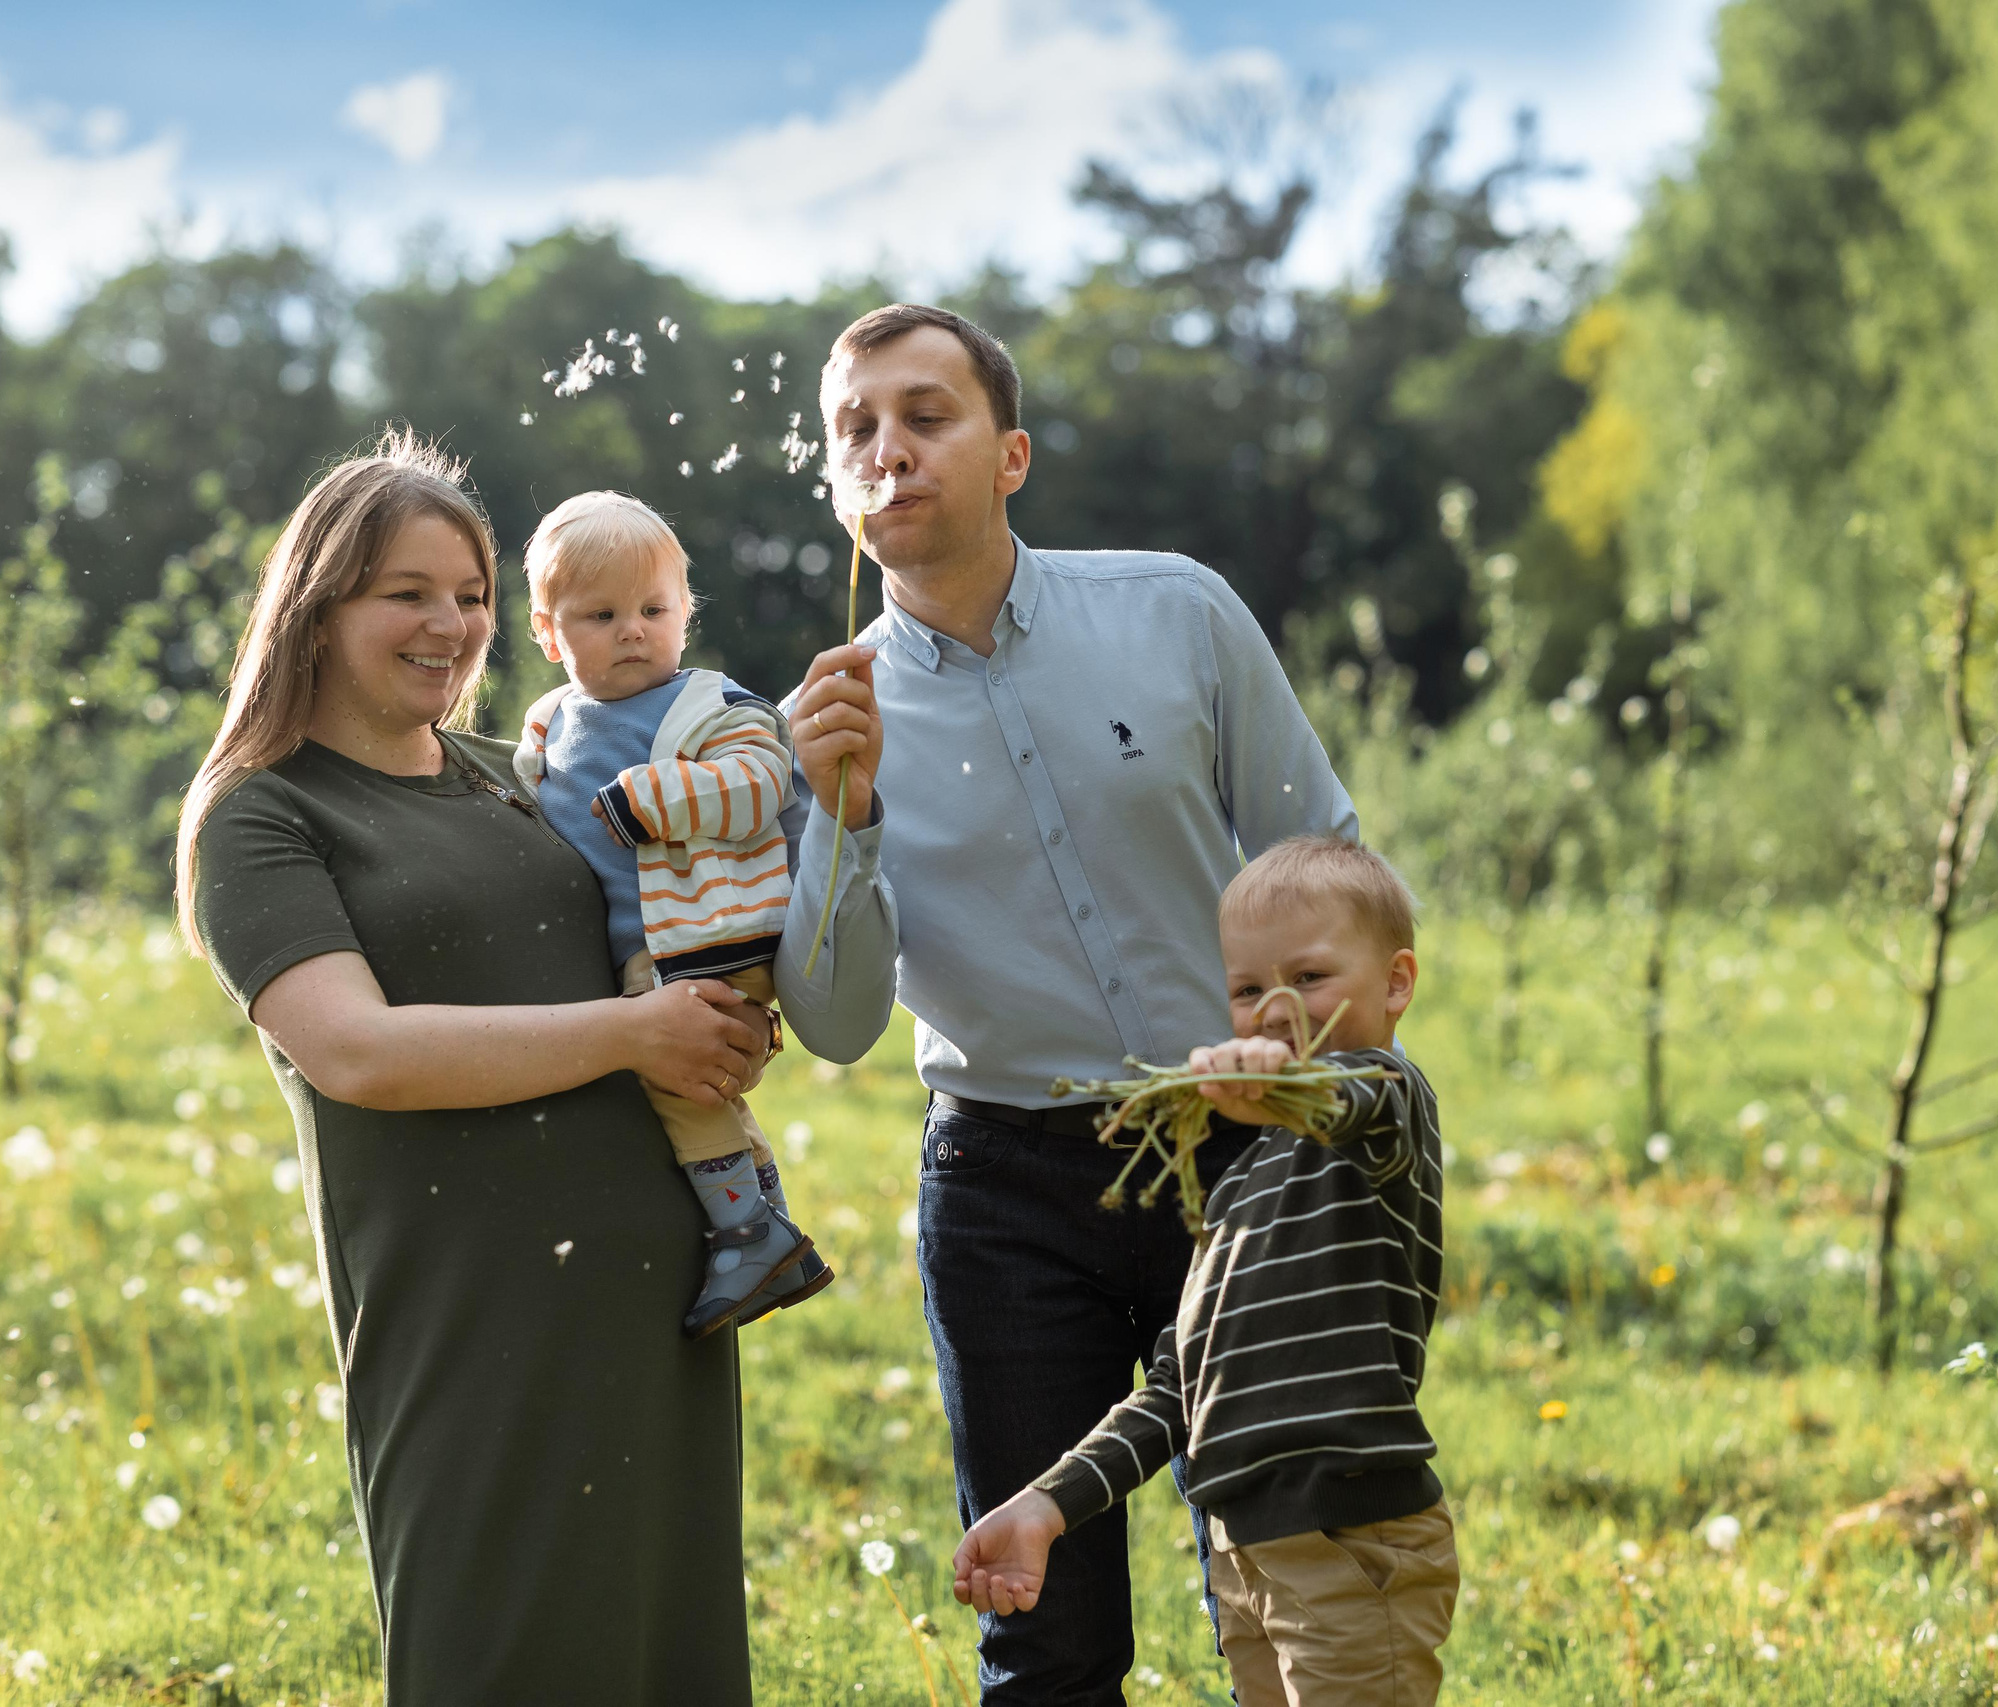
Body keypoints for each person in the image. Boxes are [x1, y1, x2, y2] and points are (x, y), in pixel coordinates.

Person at [778, 304, 1358, 1703]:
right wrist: (839, 816)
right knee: (1045, 1626)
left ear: (1011, 453)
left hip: (1249, 1150)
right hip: (1005, 1184)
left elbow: (1324, 861)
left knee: (1297, 1587)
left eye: (928, 415)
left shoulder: (1177, 610)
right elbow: (840, 1021)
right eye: (857, 428)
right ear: (834, 484)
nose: (890, 449)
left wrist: (1289, 1048)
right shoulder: (816, 724)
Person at [173, 430, 770, 1705]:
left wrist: (725, 1009)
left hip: (653, 1295)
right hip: (469, 1312)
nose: (450, 623)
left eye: (474, 595)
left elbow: (670, 927)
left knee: (669, 1657)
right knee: (496, 1650)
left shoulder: (529, 776)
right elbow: (357, 1051)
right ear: (318, 604)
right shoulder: (265, 812)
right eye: (408, 593)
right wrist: (631, 1034)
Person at [950, 835, 1456, 1707]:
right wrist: (1046, 1505)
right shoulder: (1236, 1187)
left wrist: (1286, 1080)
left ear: (1397, 983)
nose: (1275, 1009)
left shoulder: (1387, 1108)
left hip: (1350, 1537)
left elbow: (1352, 1097)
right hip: (1247, 1555)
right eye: (1249, 990)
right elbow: (1179, 1387)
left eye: (1310, 978)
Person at [512, 489, 831, 1337]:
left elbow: (764, 780)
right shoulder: (551, 721)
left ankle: (745, 1232)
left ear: (686, 613)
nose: (633, 630)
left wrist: (660, 798)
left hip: (706, 932)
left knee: (676, 1083)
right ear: (549, 634)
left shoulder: (705, 703)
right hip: (648, 946)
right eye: (601, 614)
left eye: (655, 608)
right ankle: (766, 1209)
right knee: (706, 1083)